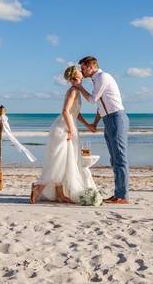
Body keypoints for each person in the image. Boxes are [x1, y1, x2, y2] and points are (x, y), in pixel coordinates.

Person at [30, 65, 98, 204]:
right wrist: (71, 129)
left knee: (65, 161)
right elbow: (65, 111)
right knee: (58, 162)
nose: (81, 71)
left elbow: (75, 113)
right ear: (74, 77)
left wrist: (87, 125)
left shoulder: (77, 91)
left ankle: (60, 194)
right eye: (78, 72)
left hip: (68, 126)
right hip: (64, 128)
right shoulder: (73, 91)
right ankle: (38, 187)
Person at [73, 56, 130, 204]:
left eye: (83, 68)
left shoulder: (103, 77)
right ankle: (118, 193)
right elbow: (101, 106)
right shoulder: (97, 80)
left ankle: (123, 196)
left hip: (116, 118)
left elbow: (92, 100)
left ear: (91, 66)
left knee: (120, 158)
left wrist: (79, 87)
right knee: (114, 158)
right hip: (108, 119)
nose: (82, 71)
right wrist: (95, 123)